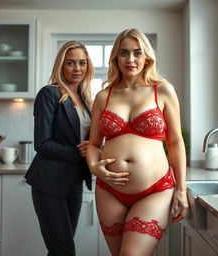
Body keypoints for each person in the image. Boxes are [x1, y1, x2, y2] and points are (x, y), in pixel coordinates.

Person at [86, 28, 188, 256]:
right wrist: (94, 167)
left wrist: (181, 189)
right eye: (124, 53)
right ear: (116, 57)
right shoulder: (104, 96)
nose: (130, 59)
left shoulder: (163, 90)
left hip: (155, 191)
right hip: (109, 190)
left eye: (137, 53)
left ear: (146, 57)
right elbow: (93, 144)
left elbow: (175, 141)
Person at [25, 41, 94, 256]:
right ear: (61, 66)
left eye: (82, 63)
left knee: (60, 249)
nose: (77, 68)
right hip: (49, 182)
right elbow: (42, 143)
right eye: (71, 63)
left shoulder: (86, 99)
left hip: (75, 181)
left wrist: (93, 147)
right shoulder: (49, 94)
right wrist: (78, 152)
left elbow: (88, 138)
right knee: (64, 249)